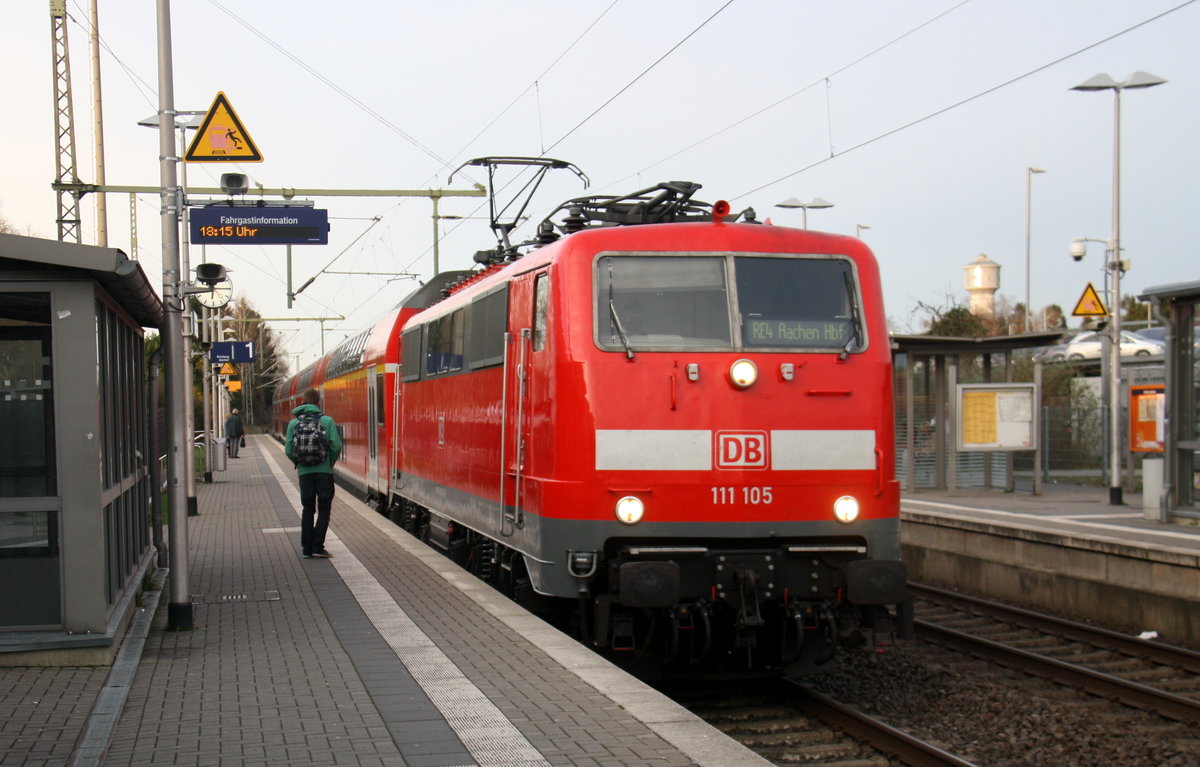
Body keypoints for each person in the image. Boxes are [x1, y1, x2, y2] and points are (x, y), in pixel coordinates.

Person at [284, 390, 342, 559]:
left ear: (303, 402)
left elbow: (288, 450)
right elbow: (336, 446)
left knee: (308, 509)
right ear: (318, 402)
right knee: (324, 509)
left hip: (305, 474)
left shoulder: (293, 424)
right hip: (324, 473)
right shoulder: (326, 421)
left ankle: (306, 549)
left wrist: (299, 463)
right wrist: (329, 463)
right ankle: (318, 546)